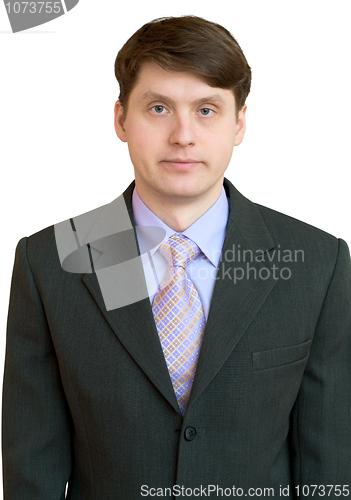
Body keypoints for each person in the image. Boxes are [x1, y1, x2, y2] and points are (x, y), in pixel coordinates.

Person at [2, 15, 351, 500]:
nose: (183, 135)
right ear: (122, 119)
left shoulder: (318, 263)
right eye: (160, 108)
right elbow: (30, 471)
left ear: (240, 123)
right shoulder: (53, 260)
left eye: (207, 109)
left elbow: (329, 461)